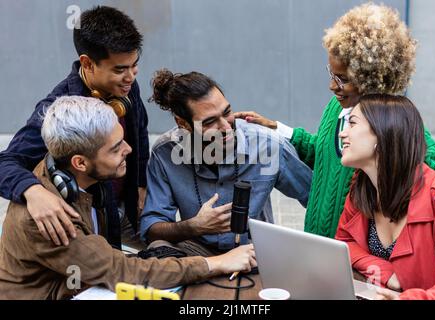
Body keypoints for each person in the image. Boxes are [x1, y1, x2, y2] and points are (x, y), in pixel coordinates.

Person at [0, 96, 256, 300]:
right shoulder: (48, 220)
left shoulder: (73, 176)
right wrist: (216, 263)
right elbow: (122, 272)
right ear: (80, 162)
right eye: (115, 148)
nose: (129, 149)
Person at [234, 3, 435, 238]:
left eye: (342, 79)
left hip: (356, 259)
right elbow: (325, 153)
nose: (332, 86)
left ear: (372, 78)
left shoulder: (395, 124)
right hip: (319, 245)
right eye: (332, 74)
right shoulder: (336, 107)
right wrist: (279, 129)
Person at [0, 6, 149, 249]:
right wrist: (33, 191)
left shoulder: (127, 87)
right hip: (85, 224)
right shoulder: (56, 112)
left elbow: (140, 134)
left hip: (125, 211)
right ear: (87, 63)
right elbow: (5, 162)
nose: (131, 76)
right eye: (120, 69)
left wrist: (141, 184)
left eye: (134, 65)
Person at [140, 69, 312, 255]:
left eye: (227, 112)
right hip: (196, 254)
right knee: (156, 251)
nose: (225, 127)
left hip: (256, 252)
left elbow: (315, 199)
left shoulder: (268, 144)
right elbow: (151, 229)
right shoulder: (165, 152)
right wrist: (194, 227)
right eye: (209, 121)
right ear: (183, 124)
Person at [335, 94, 435, 300]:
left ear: (382, 133)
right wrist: (387, 273)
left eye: (352, 123)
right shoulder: (360, 187)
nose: (343, 133)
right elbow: (344, 242)